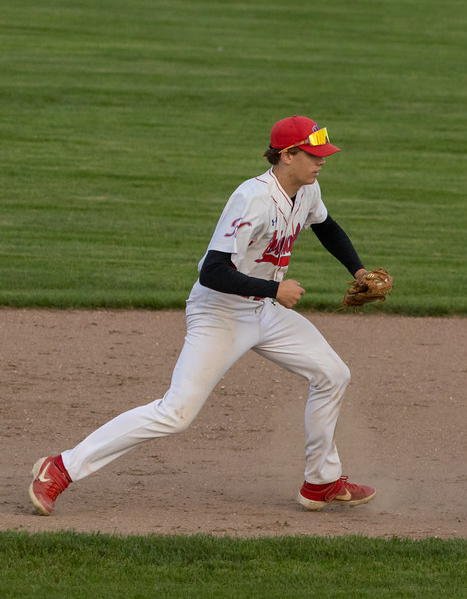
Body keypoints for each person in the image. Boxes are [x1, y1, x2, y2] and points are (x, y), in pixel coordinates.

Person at [30, 115, 378, 515]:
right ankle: (61, 468)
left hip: (263, 311)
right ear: (287, 155)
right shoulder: (253, 198)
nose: (321, 162)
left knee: (333, 374)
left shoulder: (306, 190)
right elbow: (212, 272)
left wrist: (359, 271)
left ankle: (321, 481)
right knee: (175, 414)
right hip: (220, 313)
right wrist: (274, 289)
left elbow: (327, 228)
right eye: (313, 155)